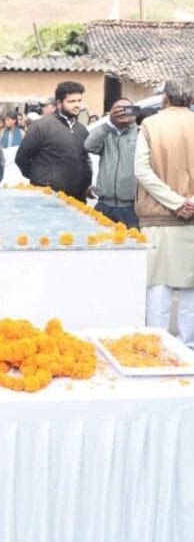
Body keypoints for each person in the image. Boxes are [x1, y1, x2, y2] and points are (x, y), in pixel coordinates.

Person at [134, 78, 194, 346]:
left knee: (158, 286)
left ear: (164, 99)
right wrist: (189, 201)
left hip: (158, 218)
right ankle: (188, 348)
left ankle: (156, 346)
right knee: (192, 289)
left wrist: (174, 202)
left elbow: (141, 171)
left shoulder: (151, 125)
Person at [15, 81, 91, 199]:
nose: (77, 105)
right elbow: (21, 158)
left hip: (77, 199)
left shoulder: (82, 130)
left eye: (79, 101)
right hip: (47, 197)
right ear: (59, 103)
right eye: (72, 101)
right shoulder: (41, 126)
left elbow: (85, 160)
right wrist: (40, 178)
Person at [84, 99, 139, 227]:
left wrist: (132, 120)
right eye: (117, 110)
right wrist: (108, 123)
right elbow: (88, 145)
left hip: (131, 207)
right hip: (104, 205)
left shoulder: (140, 134)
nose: (122, 113)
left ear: (134, 112)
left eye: (126, 109)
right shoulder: (106, 134)